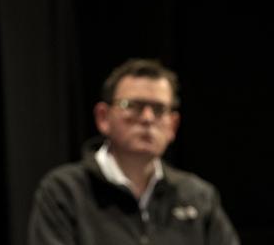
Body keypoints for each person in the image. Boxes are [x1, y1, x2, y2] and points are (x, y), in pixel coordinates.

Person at [28, 58, 239, 245]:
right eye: (133, 106)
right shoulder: (64, 192)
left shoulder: (198, 196)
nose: (147, 118)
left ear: (173, 125)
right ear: (103, 117)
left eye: (159, 109)